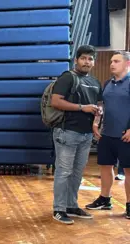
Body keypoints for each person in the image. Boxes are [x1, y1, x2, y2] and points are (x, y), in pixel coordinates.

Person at [50, 45, 103, 225]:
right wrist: (82, 108)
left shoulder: (95, 82)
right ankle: (59, 209)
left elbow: (98, 103)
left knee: (77, 173)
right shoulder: (67, 78)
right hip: (67, 132)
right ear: (76, 60)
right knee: (64, 172)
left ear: (93, 62)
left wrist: (97, 115)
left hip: (86, 135)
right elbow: (56, 101)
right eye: (84, 58)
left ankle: (71, 205)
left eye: (90, 59)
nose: (87, 62)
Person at [87, 51, 130, 216]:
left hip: (125, 135)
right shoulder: (108, 83)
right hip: (108, 134)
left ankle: (129, 204)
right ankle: (105, 199)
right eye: (111, 61)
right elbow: (102, 105)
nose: (112, 64)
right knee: (105, 166)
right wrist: (96, 122)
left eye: (116, 61)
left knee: (128, 170)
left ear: (127, 64)